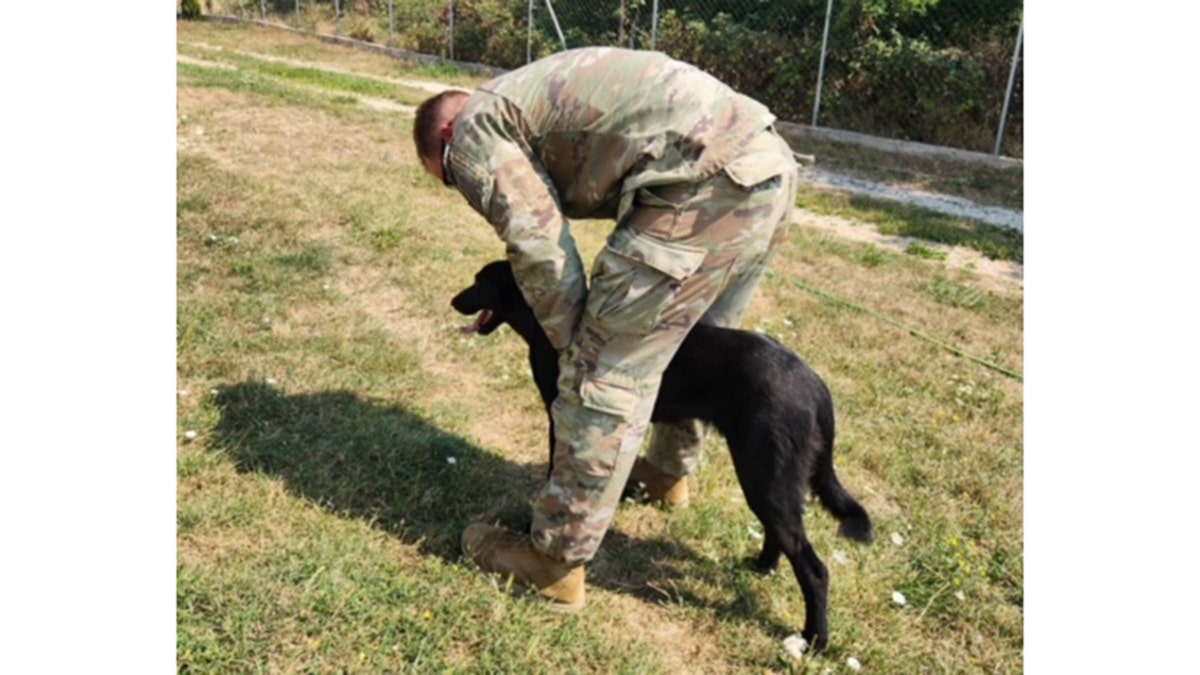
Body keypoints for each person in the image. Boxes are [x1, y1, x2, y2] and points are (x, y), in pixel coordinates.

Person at [413, 46, 799, 611]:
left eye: (448, 178)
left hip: (704, 187)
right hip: (767, 165)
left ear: (447, 132)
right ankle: (667, 473)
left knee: (605, 372)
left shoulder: (473, 128)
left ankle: (554, 563)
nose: (462, 188)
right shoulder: (524, 96)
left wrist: (576, 350)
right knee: (697, 342)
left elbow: (538, 245)